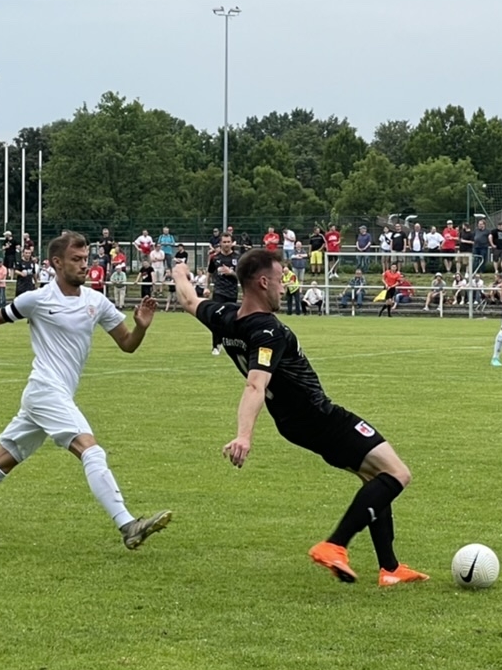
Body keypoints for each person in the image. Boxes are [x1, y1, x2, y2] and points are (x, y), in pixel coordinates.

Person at [0, 231, 171, 550]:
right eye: (76, 259)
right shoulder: (37, 299)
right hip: (46, 390)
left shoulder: (97, 301)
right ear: (57, 263)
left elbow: (128, 344)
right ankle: (128, 524)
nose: (84, 265)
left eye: (86, 258)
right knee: (91, 450)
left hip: (49, 396)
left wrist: (141, 327)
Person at [170, 252, 427, 587]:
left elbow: (189, 300)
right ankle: (334, 545)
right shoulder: (267, 331)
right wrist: (244, 435)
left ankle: (390, 569)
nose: (285, 287)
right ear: (263, 282)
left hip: (292, 422)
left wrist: (179, 271)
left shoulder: (225, 316)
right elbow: (255, 384)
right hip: (319, 417)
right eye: (281, 280)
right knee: (397, 473)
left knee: (375, 477)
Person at [208, 233, 241, 355]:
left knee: (230, 320)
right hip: (219, 291)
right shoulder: (215, 258)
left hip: (232, 293)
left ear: (232, 243)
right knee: (216, 318)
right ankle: (216, 345)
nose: (226, 244)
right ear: (220, 243)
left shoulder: (238, 258)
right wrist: (206, 288)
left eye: (228, 242)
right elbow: (209, 273)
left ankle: (230, 344)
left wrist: (231, 273)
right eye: (224, 242)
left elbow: (242, 277)